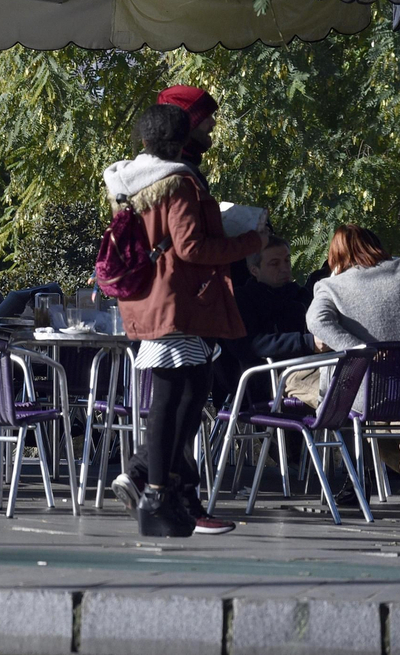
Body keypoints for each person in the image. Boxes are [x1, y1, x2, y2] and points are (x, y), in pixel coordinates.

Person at [102, 104, 261, 538]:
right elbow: (191, 248)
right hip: (176, 300)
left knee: (191, 389)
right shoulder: (179, 182)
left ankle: (162, 487)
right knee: (174, 395)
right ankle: (156, 493)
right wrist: (251, 240)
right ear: (181, 138)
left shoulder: (127, 180)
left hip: (146, 298)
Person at [301, 224, 400, 493]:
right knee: (381, 421)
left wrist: (361, 353)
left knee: (324, 393)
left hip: (363, 396)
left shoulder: (329, 286)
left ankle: (358, 478)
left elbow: (315, 321)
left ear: (335, 256)